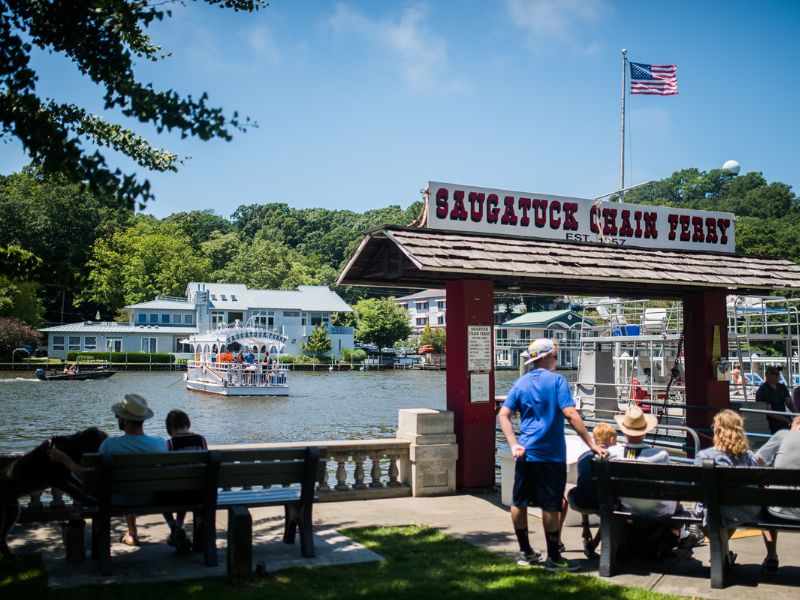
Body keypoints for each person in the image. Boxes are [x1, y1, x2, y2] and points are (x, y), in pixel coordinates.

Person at [498, 338, 607, 572]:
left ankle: (526, 551)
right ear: (546, 357)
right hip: (550, 455)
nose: (557, 361)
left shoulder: (520, 383)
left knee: (519, 502)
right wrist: (591, 443)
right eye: (555, 356)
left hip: (525, 453)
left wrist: (513, 443)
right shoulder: (558, 381)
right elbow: (570, 413)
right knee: (551, 504)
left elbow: (503, 414)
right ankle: (554, 557)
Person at [609, 404, 686, 558]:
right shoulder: (660, 455)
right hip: (657, 508)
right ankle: (680, 535)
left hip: (627, 506)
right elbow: (669, 484)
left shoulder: (613, 454)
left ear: (624, 430)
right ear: (645, 431)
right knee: (680, 506)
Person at [98, 393, 168, 546]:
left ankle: (128, 535)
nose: (117, 418)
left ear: (126, 420)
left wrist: (65, 460)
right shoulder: (160, 444)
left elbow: (93, 477)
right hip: (148, 498)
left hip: (116, 500)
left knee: (125, 488)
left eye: (119, 416)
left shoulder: (109, 445)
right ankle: (132, 533)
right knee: (133, 486)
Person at [692, 410, 760, 564]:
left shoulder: (704, 456)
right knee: (732, 507)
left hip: (712, 510)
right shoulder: (748, 456)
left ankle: (720, 552)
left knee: (698, 511)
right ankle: (723, 552)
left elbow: (696, 488)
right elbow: (755, 486)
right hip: (741, 511)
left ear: (716, 430)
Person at [755, 415, 800, 575]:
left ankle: (772, 555)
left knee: (765, 499)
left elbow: (756, 461)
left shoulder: (782, 435)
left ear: (795, 424)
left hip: (777, 514)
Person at [566, 422, 617, 558]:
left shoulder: (583, 457)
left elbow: (582, 484)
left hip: (580, 503)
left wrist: (586, 525)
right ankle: (593, 545)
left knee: (578, 489)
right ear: (611, 440)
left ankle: (585, 529)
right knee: (612, 507)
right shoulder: (614, 457)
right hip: (603, 506)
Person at [163, 409, 208, 553]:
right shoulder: (201, 440)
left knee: (164, 492)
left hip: (177, 496)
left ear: (170, 428)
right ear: (187, 424)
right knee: (187, 487)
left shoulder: (169, 445)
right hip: (199, 494)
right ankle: (178, 529)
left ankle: (175, 528)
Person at [756, 366, 797, 434]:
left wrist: (797, 416)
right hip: (771, 421)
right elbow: (769, 412)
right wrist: (786, 420)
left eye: (778, 373)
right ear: (767, 375)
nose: (777, 375)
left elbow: (789, 403)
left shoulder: (782, 387)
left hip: (784, 418)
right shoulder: (763, 390)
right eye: (773, 373)